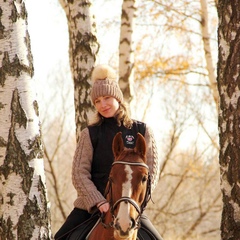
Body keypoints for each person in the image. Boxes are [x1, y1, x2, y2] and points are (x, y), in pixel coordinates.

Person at [54, 64, 162, 240]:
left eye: (106, 98)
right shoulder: (90, 134)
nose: (102, 104)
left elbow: (150, 173)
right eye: (97, 101)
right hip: (91, 209)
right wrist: (98, 201)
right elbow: (79, 174)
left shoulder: (142, 130)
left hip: (130, 208)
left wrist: (135, 203)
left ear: (117, 98)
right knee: (60, 237)